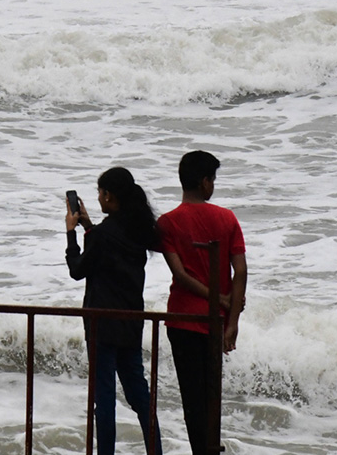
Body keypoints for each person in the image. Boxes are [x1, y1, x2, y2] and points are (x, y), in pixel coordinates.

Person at [65, 167, 163, 455]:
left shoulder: (105, 234)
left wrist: (71, 233)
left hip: (101, 325)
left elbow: (78, 270)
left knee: (104, 397)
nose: (97, 197)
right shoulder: (138, 230)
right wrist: (88, 227)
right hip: (131, 322)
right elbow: (109, 250)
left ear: (109, 195)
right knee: (141, 397)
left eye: (100, 192)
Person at [156, 150, 246, 455]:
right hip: (215, 322)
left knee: (192, 400)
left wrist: (217, 300)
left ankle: (201, 451)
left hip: (182, 320)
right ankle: (210, 447)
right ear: (205, 182)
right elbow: (241, 271)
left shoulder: (168, 222)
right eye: (213, 179)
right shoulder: (227, 218)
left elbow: (179, 275)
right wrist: (231, 319)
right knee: (211, 397)